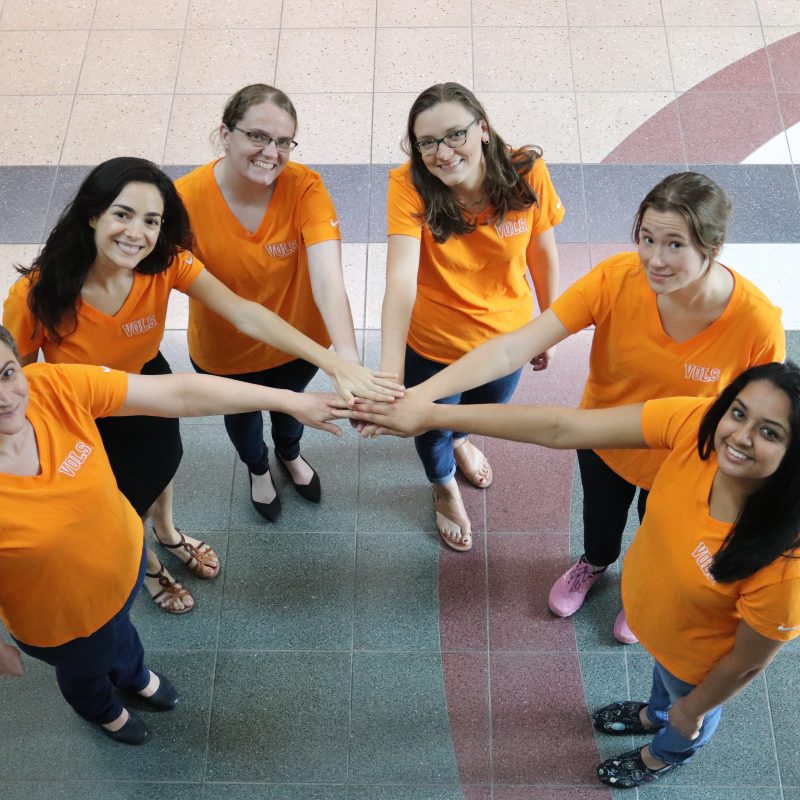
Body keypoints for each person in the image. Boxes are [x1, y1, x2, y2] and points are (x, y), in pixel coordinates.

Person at [337, 361, 800, 790]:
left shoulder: (786, 567)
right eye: (738, 413)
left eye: (770, 432)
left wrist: (693, 709)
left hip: (698, 663)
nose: (740, 436)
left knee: (685, 707)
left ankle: (667, 752)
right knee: (665, 687)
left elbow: (745, 663)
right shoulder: (697, 428)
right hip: (657, 624)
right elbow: (563, 426)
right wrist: (432, 416)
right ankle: (654, 712)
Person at [368, 171, 785, 642]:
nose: (655, 259)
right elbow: (512, 349)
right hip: (601, 440)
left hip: (687, 464)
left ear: (713, 247)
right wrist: (420, 395)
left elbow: (767, 420)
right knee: (601, 520)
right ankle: (594, 563)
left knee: (660, 538)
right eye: (647, 238)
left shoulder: (755, 323)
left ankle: (640, 587)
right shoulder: (617, 279)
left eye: (675, 245)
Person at [3, 157, 398, 615]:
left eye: (152, 220)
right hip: (83, 416)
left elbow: (243, 312)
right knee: (117, 505)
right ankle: (149, 565)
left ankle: (168, 533)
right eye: (122, 214)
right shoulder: (36, 295)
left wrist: (332, 362)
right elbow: (21, 382)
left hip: (148, 384)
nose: (137, 233)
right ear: (92, 214)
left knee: (163, 465)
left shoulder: (165, 264)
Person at [0, 324, 341, 745]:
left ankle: (135, 677)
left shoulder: (50, 387)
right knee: (85, 669)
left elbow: (176, 394)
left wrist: (290, 401)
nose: (5, 397)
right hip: (62, 622)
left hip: (124, 569)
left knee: (123, 635)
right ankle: (103, 710)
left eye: (7, 373)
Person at [176, 84, 387, 523]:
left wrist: (346, 359)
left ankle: (289, 454)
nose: (270, 153)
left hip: (298, 345)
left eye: (283, 141)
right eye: (257, 136)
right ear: (225, 134)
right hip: (225, 352)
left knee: (293, 405)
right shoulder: (184, 201)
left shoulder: (305, 187)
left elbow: (328, 278)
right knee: (242, 420)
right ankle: (257, 468)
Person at [377, 81, 563, 551]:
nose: (442, 153)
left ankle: (461, 440)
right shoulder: (407, 185)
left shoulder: (527, 171)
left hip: (508, 338)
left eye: (454, 135)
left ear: (482, 128)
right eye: (427, 143)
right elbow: (399, 281)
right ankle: (442, 486)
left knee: (483, 411)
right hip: (435, 342)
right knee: (432, 423)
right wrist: (390, 374)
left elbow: (542, 247)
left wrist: (550, 324)